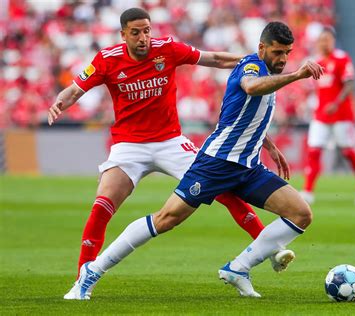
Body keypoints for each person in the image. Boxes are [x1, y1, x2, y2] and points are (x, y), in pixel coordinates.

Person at [64, 21, 324, 300]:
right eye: (277, 52)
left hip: (248, 167)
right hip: (216, 163)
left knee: (301, 213)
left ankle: (239, 268)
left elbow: (243, 116)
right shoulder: (251, 67)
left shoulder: (269, 71)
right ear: (261, 48)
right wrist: (297, 75)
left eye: (287, 52)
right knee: (166, 219)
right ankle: (92, 271)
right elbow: (251, 87)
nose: (283, 59)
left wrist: (269, 146)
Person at [300, 26, 355, 206]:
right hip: (321, 115)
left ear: (333, 40)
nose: (324, 42)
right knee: (314, 151)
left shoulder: (341, 58)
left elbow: (350, 84)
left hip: (341, 115)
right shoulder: (315, 62)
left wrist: (336, 103)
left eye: (327, 39)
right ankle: (308, 191)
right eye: (322, 39)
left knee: (348, 152)